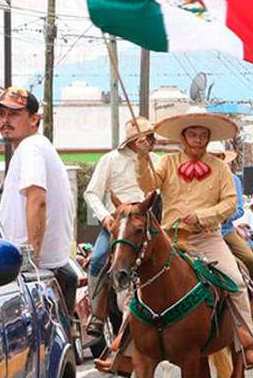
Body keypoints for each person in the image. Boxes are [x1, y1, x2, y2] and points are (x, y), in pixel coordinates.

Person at [135, 108, 253, 369]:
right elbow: (147, 185)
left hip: (208, 237)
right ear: (183, 138)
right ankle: (122, 347)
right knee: (136, 281)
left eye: (202, 135)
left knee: (237, 282)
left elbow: (230, 203)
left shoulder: (220, 168)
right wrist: (141, 156)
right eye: (193, 134)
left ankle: (247, 343)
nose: (198, 139)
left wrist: (202, 216)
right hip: (169, 238)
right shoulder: (166, 163)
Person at [0, 87, 77, 314]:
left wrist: (31, 261)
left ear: (34, 119)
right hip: (42, 271)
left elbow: (37, 199)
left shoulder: (31, 148)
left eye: (14, 114)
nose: (5, 121)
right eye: (1, 114)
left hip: (30, 273)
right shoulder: (36, 148)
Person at [84, 116, 158, 362]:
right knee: (97, 260)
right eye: (142, 138)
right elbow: (92, 192)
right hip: (117, 223)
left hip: (147, 222)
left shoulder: (156, 161)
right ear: (131, 140)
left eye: (149, 137)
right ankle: (97, 314)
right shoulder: (110, 160)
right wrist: (106, 217)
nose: (146, 142)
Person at [208, 141, 253, 287]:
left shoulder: (233, 179)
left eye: (218, 156)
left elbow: (239, 209)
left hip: (225, 230)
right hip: (201, 231)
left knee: (249, 259)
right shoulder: (197, 178)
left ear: (223, 158)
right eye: (211, 156)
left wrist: (222, 218)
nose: (215, 160)